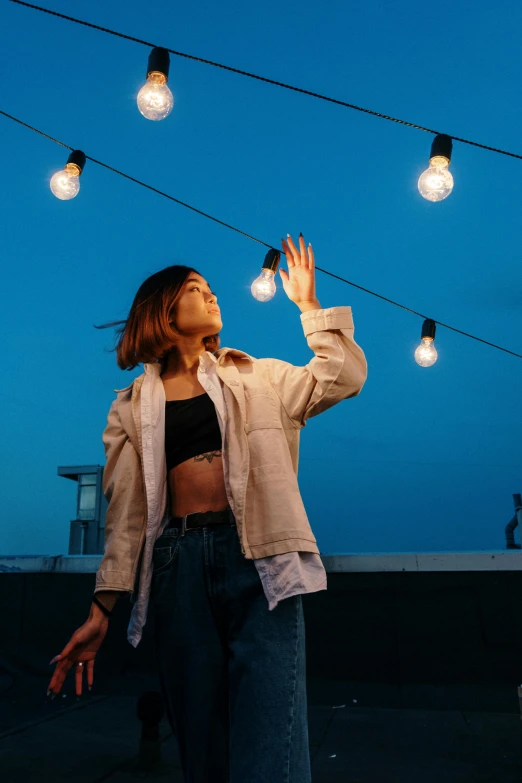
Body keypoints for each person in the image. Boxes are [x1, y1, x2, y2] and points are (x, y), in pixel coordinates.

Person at [47, 232, 368, 782]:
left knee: (273, 736)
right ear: (165, 313)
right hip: (177, 566)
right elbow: (125, 515)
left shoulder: (259, 375)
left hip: (260, 558)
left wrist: (310, 306)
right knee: (201, 741)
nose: (213, 294)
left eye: (211, 288)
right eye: (197, 289)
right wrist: (101, 610)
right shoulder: (128, 408)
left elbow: (342, 377)